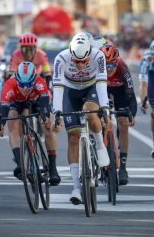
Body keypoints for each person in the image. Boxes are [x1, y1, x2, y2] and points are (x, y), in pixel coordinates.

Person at [52, 32, 110, 205]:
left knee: (90, 112)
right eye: (76, 61)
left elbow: (101, 83)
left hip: (91, 87)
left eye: (83, 61)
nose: (79, 65)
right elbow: (58, 87)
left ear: (89, 54)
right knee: (72, 138)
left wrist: (105, 108)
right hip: (71, 91)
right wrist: (57, 112)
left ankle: (100, 145)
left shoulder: (98, 56)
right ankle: (77, 187)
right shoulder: (61, 58)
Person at [0, 62, 61, 185]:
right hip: (17, 102)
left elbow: (45, 104)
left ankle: (53, 168)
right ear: (17, 80)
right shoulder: (9, 85)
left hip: (36, 101)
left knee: (48, 126)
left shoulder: (40, 82)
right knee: (12, 123)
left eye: (29, 84)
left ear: (34, 80)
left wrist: (45, 118)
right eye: (22, 84)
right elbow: (3, 109)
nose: (25, 88)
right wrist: (0, 124)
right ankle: (20, 164)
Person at [100, 44, 137, 185]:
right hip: (104, 90)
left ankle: (123, 167)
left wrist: (131, 114)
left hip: (120, 91)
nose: (109, 69)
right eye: (106, 65)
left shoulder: (122, 68)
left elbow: (131, 96)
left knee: (123, 124)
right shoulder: (97, 69)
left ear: (117, 61)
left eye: (112, 65)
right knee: (101, 119)